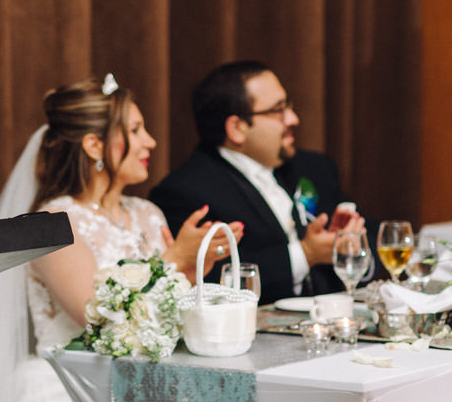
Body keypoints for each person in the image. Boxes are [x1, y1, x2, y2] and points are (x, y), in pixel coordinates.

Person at [0, 75, 242, 402]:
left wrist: (190, 274)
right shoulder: (53, 223)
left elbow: (162, 321)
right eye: (135, 131)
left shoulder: (148, 213)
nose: (150, 142)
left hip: (150, 381)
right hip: (75, 386)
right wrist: (175, 258)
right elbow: (96, 324)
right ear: (94, 145)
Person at [149, 60, 366, 306]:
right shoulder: (186, 191)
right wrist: (305, 255)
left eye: (289, 106)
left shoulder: (313, 167)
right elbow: (209, 282)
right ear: (237, 128)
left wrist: (348, 245)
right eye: (278, 110)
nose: (293, 118)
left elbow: (370, 243)